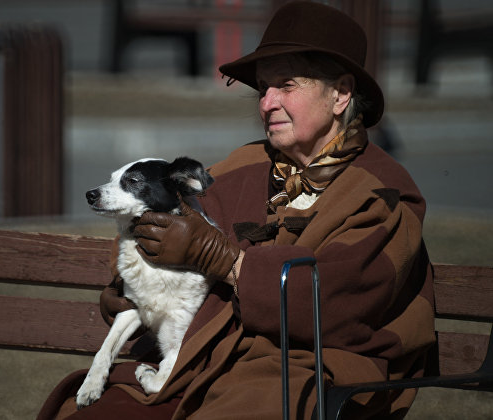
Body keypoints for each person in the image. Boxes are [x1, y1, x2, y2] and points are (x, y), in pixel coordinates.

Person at [37, 2, 435, 419]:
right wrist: (128, 285)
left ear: (341, 94)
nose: (267, 103)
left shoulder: (384, 194)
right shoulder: (244, 165)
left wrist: (222, 260)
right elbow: (168, 223)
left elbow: (334, 304)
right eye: (263, 88)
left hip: (315, 372)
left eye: (286, 85)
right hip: (210, 355)